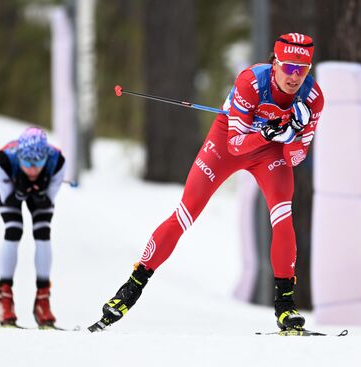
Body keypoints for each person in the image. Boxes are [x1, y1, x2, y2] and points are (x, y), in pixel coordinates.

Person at [89, 33, 324, 332]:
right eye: (289, 67)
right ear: (275, 63)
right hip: (229, 142)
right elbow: (236, 144)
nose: (294, 77)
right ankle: (131, 288)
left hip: (270, 153)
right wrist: (268, 133)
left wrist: (294, 132)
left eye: (301, 70)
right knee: (186, 213)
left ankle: (285, 307)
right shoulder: (251, 81)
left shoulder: (313, 98)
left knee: (282, 215)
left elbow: (295, 158)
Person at [0, 127, 66, 327]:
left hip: (42, 186)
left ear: (45, 158)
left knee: (43, 232)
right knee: (14, 229)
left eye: (38, 163)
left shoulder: (57, 161)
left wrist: (40, 192)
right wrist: (20, 191)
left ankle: (43, 298)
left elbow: (48, 200)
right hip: (10, 184)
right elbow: (7, 198)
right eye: (27, 163)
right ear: (20, 157)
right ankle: (4, 297)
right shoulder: (4, 160)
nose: (32, 169)